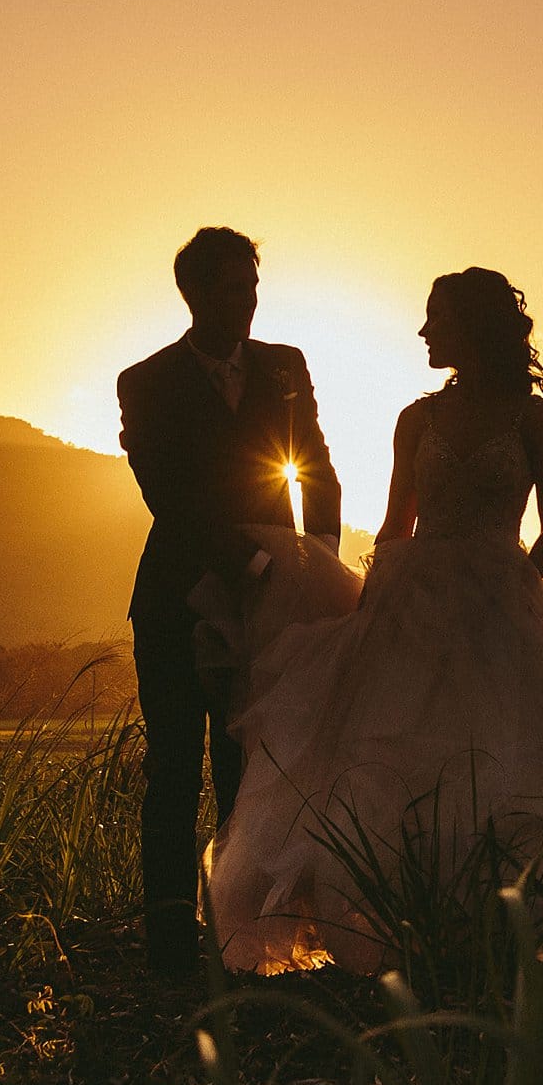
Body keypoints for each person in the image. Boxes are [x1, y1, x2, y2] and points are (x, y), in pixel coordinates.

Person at [207, 268, 543, 974]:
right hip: (413, 607)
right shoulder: (416, 419)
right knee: (389, 763)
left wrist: (511, 587)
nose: (426, 331)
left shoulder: (537, 421)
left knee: (506, 762)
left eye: (439, 318)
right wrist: (372, 608)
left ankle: (499, 934)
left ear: (476, 326)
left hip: (503, 605)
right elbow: (397, 524)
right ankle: (403, 931)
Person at [116, 227, 343, 978]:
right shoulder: (146, 382)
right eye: (234, 287)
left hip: (279, 600)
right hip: (181, 596)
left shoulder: (285, 366)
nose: (249, 300)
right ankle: (172, 949)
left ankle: (245, 944)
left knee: (255, 773)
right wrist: (242, 562)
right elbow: (168, 495)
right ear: (197, 293)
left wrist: (319, 565)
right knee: (177, 769)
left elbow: (314, 464)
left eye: (253, 285)